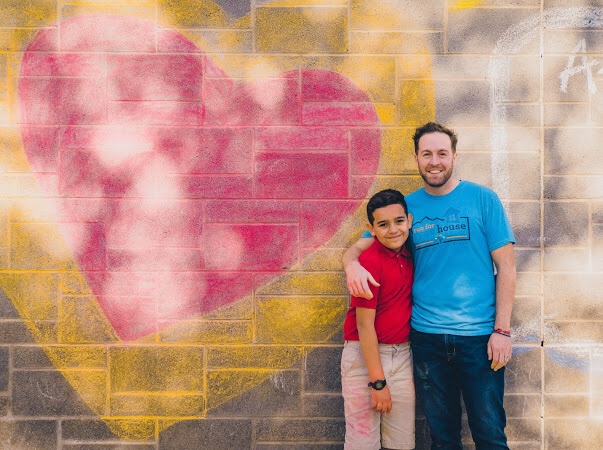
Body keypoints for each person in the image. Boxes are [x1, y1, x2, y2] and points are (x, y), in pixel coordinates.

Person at [342, 122, 516, 450]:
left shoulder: (483, 199)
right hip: (426, 340)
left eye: (441, 153)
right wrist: (351, 264)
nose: (434, 161)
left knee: (490, 433)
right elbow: (362, 245)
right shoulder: (405, 210)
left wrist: (502, 330)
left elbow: (506, 267)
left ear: (454, 157)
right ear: (416, 159)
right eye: (426, 154)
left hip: (479, 339)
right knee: (442, 437)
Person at [341, 189, 415, 450]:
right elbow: (364, 326)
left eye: (399, 221)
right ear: (371, 229)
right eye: (383, 224)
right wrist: (378, 382)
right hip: (365, 357)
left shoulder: (409, 254)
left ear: (409, 220)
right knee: (363, 442)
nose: (393, 230)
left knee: (402, 441)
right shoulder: (369, 262)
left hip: (401, 354)